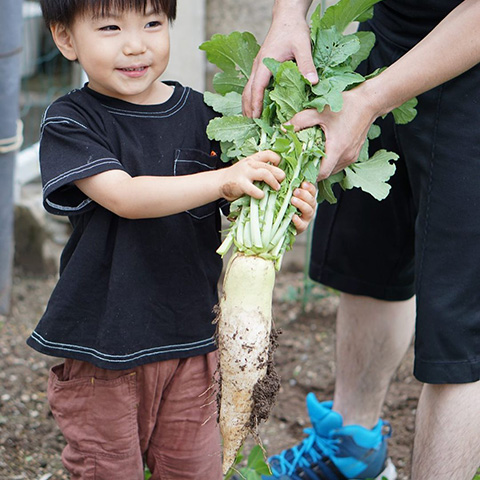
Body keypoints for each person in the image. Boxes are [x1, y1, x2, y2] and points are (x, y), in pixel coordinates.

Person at [26, 1, 318, 479]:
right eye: (111, 27)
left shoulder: (207, 114)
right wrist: (223, 180)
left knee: (193, 470)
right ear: (65, 40)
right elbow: (123, 195)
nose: (136, 43)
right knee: (107, 469)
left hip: (195, 343)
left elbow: (239, 202)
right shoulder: (71, 121)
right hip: (104, 349)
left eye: (153, 23)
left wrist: (285, 207)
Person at [242, 0, 480, 479]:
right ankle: (353, 456)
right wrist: (288, 16)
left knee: (461, 334)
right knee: (369, 260)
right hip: (389, 33)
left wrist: (371, 100)